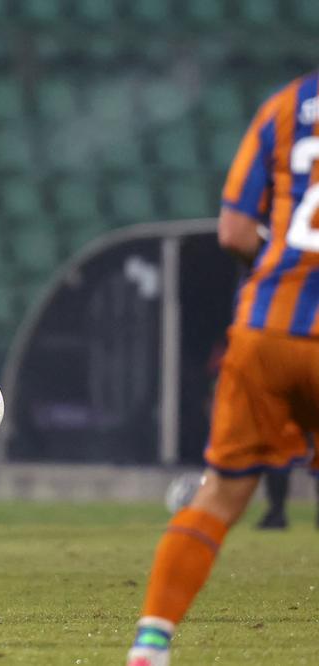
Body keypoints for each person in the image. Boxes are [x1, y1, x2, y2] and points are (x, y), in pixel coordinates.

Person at [128, 71, 319, 665]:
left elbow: (234, 229)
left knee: (219, 496)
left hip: (266, 328)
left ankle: (151, 642)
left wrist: (279, 270)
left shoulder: (285, 106)